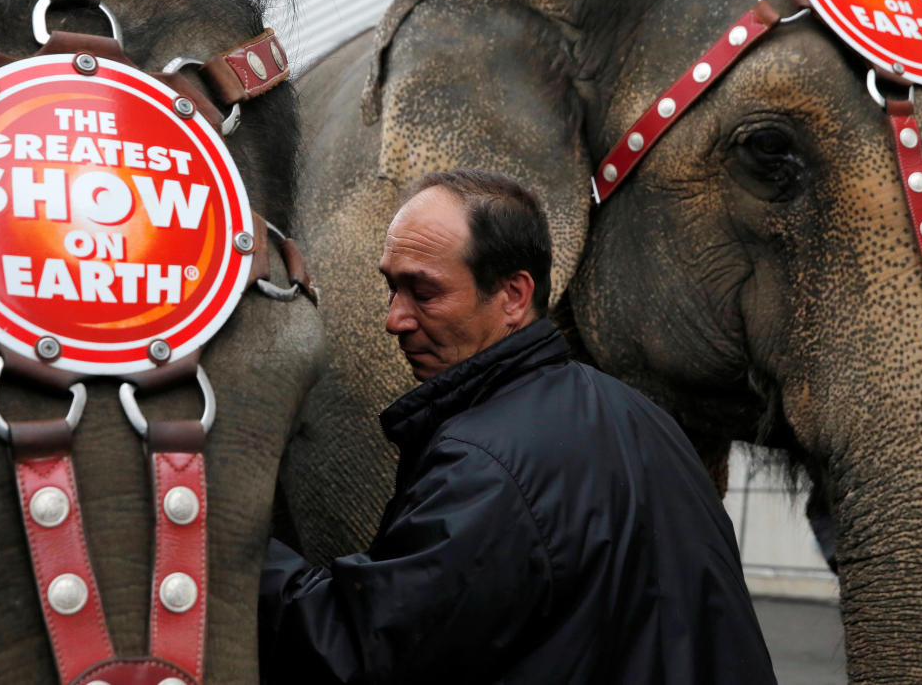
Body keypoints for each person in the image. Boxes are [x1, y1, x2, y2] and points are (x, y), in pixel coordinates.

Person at [259, 169, 775, 683]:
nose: (395, 318)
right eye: (393, 288)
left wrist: (228, 540)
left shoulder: (484, 467)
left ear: (513, 296)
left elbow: (357, 650)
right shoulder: (641, 419)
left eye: (424, 292)